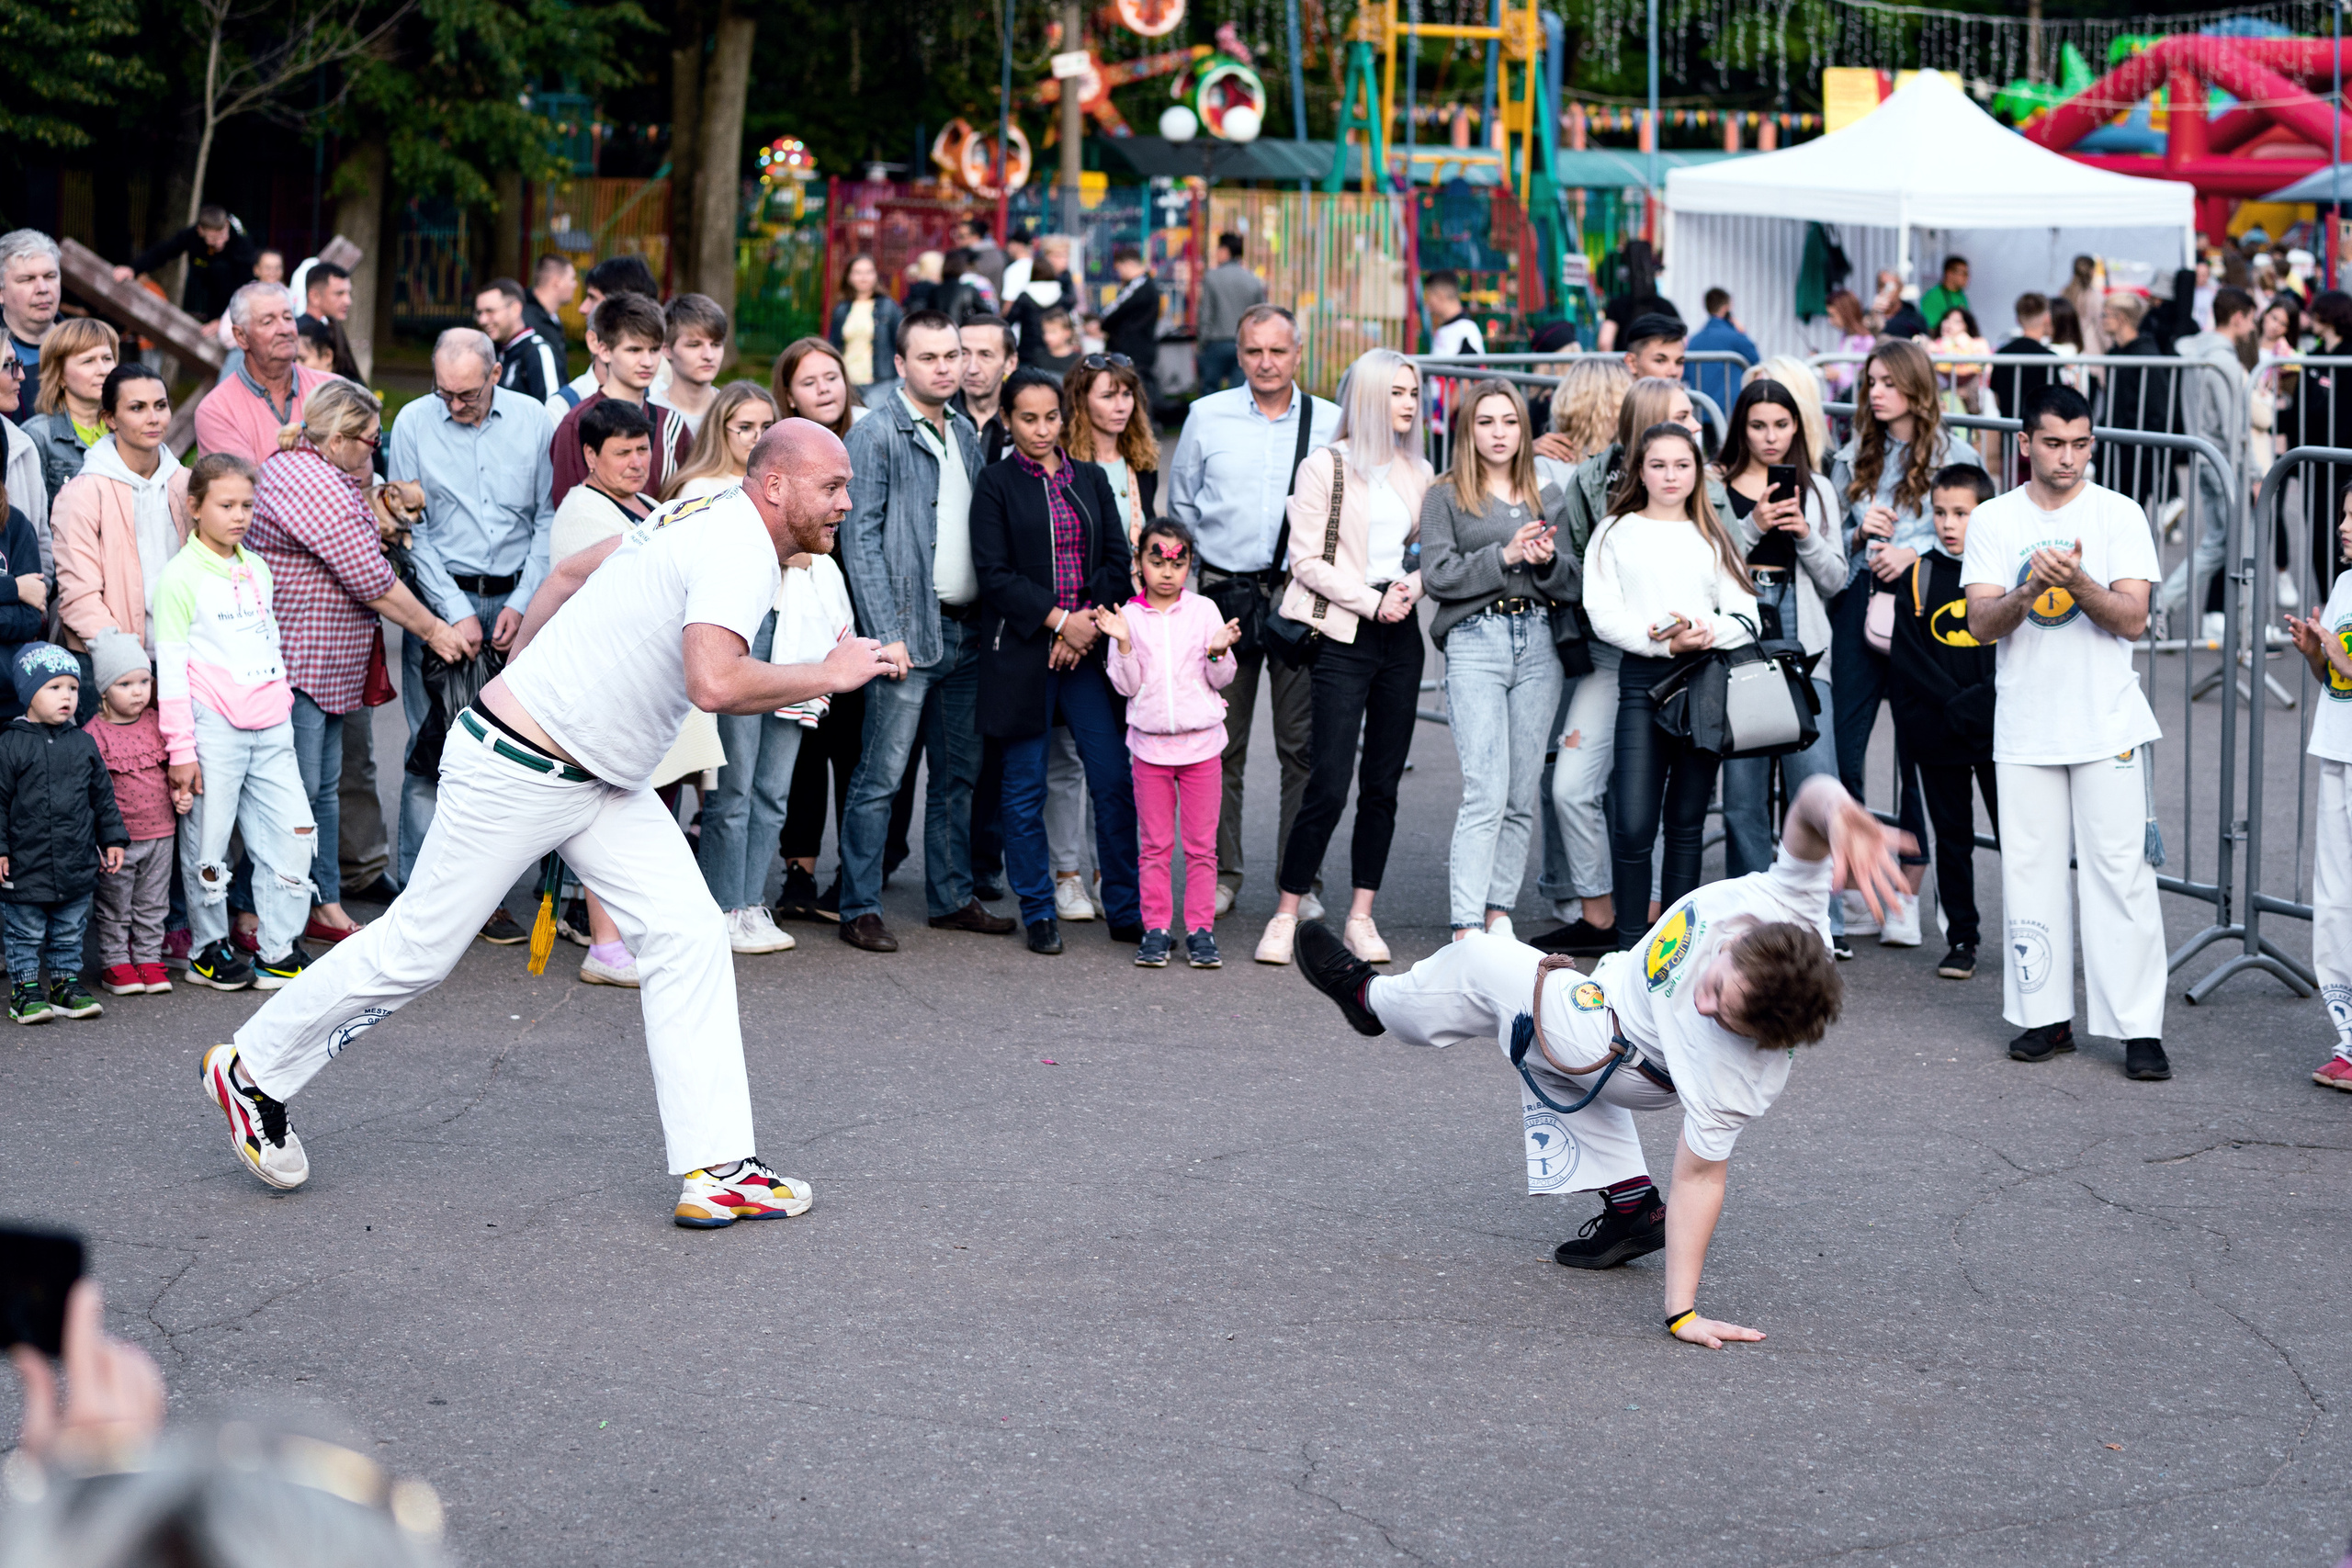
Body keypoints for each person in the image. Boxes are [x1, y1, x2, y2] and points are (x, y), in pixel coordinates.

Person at [195, 420, 897, 1226]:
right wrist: (831, 673)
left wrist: (529, 676)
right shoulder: (736, 546)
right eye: (832, 486)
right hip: (520, 771)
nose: (846, 501)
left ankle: (718, 1168)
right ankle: (252, 1068)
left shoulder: (701, 512)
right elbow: (713, 682)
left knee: (689, 934)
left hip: (597, 777)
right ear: (775, 485)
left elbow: (566, 574)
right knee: (418, 948)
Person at [1292, 773, 1892, 1339]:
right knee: (1521, 1025)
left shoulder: (1737, 1074)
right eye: (1715, 991)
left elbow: (1702, 1177)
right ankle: (1631, 1204)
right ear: (1744, 941)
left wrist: (1681, 1313)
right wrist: (1840, 811)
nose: (1708, 1011)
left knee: (1480, 961)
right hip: (1614, 996)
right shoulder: (1792, 907)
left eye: (1728, 1020)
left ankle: (1371, 999)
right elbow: (1810, 805)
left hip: (1615, 1047)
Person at [1962, 383, 2169, 1082]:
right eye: (2054, 443)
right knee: (2029, 874)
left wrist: (2077, 580)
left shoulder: (2119, 513)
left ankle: (2139, 1028)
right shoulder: (1993, 518)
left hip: (2106, 718)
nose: (2069, 458)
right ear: (2026, 444)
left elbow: (2133, 618)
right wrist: (2027, 591)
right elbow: (1980, 623)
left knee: (2122, 878)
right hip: (2025, 722)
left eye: (2081, 444)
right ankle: (2044, 1018)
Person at [248, 379, 464, 950]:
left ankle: (323, 901)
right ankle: (273, 913)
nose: (377, 451)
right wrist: (435, 630)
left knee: (321, 789)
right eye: (372, 441)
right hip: (302, 660)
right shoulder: (309, 480)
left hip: (327, 663)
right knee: (294, 791)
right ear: (340, 438)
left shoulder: (328, 472)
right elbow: (369, 577)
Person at [833, 309, 1014, 951]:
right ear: (901, 364)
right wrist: (887, 632)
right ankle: (858, 905)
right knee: (879, 775)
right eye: (932, 357)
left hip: (964, 636)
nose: (949, 367)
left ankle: (951, 897)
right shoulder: (876, 434)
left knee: (957, 776)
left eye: (955, 355)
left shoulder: (963, 429)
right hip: (906, 632)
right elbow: (860, 543)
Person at [1255, 347, 1432, 967]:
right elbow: (1306, 560)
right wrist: (1369, 600)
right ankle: (1286, 910)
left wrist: (1411, 587)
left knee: (1381, 784)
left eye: (1414, 391)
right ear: (1368, 395)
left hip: (1400, 635)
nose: (1410, 403)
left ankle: (1362, 914)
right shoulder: (1325, 465)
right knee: (1327, 781)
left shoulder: (1421, 471)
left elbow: (1426, 552)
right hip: (1342, 629)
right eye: (1397, 392)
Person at [1166, 303, 1341, 919]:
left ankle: (1302, 882)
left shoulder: (1332, 421)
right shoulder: (1205, 417)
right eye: (1253, 351)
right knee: (1219, 743)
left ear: (1299, 352)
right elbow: (1182, 504)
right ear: (1237, 355)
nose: (1266, 363)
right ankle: (1220, 875)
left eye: (1278, 350)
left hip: (1300, 600)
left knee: (1302, 747)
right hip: (1222, 599)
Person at [1538, 378, 1713, 957]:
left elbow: (1731, 574)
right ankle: (1603, 914)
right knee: (1573, 788)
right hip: (1616, 656)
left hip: (1694, 666)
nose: (1695, 423)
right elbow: (1591, 584)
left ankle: (1666, 925)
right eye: (1682, 414)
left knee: (1679, 814)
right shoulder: (1595, 485)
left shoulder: (1700, 493)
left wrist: (1703, 629)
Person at [969, 367, 1142, 954]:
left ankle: (1124, 905)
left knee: (1113, 778)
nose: (1041, 429)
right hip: (1022, 656)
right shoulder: (994, 484)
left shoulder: (1091, 479)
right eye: (1027, 418)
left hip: (1088, 652)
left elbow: (1119, 563)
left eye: (1050, 417)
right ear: (1009, 421)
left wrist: (1084, 624)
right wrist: (1055, 620)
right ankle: (1038, 909)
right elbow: (993, 575)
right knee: (1024, 786)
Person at [386, 327, 555, 900]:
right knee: (430, 746)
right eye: (445, 394)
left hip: (515, 597)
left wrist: (522, 603)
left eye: (468, 395)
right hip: (441, 600)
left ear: (496, 375)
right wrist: (453, 611)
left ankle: (482, 898)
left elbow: (547, 518)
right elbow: (412, 529)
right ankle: (420, 895)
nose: (455, 406)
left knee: (507, 751)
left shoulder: (535, 419)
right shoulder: (412, 422)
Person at [1587, 421, 1759, 953]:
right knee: (1634, 822)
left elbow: (1747, 616)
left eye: (1682, 465)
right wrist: (1662, 644)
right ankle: (1629, 947)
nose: (1670, 475)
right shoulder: (1615, 531)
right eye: (1658, 464)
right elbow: (1602, 613)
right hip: (1642, 681)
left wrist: (1708, 629)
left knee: (1685, 823)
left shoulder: (1711, 535)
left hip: (1702, 683)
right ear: (1640, 469)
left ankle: (1676, 953)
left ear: (1697, 472)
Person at [1827, 338, 1977, 945]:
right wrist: (1859, 531)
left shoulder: (1956, 454)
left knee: (1920, 749)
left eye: (1888, 381)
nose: (1876, 392)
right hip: (1859, 602)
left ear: (1916, 386)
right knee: (1845, 745)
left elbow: (1978, 532)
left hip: (1926, 609)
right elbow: (1826, 543)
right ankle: (1862, 881)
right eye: (1870, 381)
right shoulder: (1852, 453)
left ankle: (1907, 894)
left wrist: (1918, 550)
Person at [156, 453, 318, 991]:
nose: (240, 515)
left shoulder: (258, 567)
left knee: (294, 832)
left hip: (272, 725)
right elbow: (173, 670)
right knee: (208, 843)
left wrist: (282, 704)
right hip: (213, 727)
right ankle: (207, 948)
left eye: (248, 504)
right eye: (226, 505)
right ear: (196, 507)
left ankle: (278, 949)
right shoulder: (179, 578)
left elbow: (267, 641)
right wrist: (182, 750)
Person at [1421, 378, 1573, 942]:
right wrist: (1504, 555)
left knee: (1519, 790)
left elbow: (1572, 579)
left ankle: (1497, 911)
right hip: (1475, 641)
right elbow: (1437, 577)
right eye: (1485, 422)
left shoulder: (1546, 493)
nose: (1499, 433)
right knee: (1485, 787)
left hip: (1538, 642)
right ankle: (1465, 922)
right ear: (1468, 430)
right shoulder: (1444, 495)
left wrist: (1546, 561)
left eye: (1509, 421)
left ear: (1523, 427)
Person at [1713, 378, 1847, 916]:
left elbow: (1836, 578)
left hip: (1805, 646)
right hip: (1738, 644)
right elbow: (1705, 570)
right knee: (1743, 798)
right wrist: (1752, 527)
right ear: (1741, 429)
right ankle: (1747, 916)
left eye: (1782, 424)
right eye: (1758, 425)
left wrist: (1805, 535)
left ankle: (1820, 917)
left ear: (1797, 426)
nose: (1771, 437)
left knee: (1815, 781)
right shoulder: (1714, 485)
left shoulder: (1817, 490)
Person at [1096, 515, 1237, 967]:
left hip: (1202, 750)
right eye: (1157, 560)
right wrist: (1121, 645)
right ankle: (1155, 929)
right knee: (1154, 845)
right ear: (1140, 563)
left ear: (1190, 564)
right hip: (1150, 751)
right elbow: (1126, 686)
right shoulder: (1129, 617)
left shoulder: (1203, 611)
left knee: (1201, 846)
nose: (1167, 570)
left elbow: (1222, 677)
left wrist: (1217, 649)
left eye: (1177, 561)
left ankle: (1200, 931)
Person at [1892, 464, 1999, 983]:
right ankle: (1962, 938)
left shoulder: (2006, 572)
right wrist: (1957, 704)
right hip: (1941, 733)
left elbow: (2016, 649)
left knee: (2020, 838)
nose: (1949, 523)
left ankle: (2034, 932)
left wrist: (1983, 702)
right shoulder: (1919, 573)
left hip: (2001, 731)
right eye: (1940, 512)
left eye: (1962, 512)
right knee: (1952, 838)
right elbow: (1909, 657)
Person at [54, 365, 190, 724]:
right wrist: (128, 663)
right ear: (110, 419)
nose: (153, 418)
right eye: (137, 407)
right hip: (110, 666)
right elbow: (78, 597)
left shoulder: (187, 486)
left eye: (160, 405)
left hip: (182, 657)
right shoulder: (82, 494)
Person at [0, 641, 126, 1022]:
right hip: (25, 863)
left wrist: (113, 838)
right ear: (27, 693)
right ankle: (24, 990)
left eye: (72, 688)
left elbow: (102, 796)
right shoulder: (11, 744)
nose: (66, 696)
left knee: (70, 928)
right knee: (25, 930)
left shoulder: (83, 743)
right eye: (53, 688)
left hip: (75, 860)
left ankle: (65, 984)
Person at [2284, 487, 2352, 1092]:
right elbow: (2332, 674)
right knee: (2334, 901)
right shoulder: (2344, 586)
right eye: (2345, 514)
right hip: (2335, 747)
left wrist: (2342, 657)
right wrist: (2314, 652)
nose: (2344, 527)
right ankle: (2349, 1038)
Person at [83, 629, 179, 996]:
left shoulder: (156, 722)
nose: (138, 691)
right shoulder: (94, 734)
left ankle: (149, 958)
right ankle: (115, 962)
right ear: (104, 690)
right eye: (125, 684)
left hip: (161, 833)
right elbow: (93, 792)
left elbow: (170, 770)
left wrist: (179, 795)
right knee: (115, 905)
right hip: (119, 840)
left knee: (153, 903)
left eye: (144, 680)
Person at [2158, 286, 2256, 630]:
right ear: (2238, 317)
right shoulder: (2224, 361)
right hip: (2223, 461)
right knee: (2236, 546)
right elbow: (2234, 427)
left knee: (2219, 544)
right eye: (2251, 320)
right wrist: (2256, 474)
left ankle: (2164, 605)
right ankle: (2241, 627)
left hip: (2204, 455)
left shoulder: (2195, 351)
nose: (2253, 329)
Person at [549, 294, 693, 506]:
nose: (647, 362)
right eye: (634, 350)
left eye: (653, 350)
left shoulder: (672, 425)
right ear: (604, 351)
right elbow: (567, 506)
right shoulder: (576, 422)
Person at [192, 283, 333, 466]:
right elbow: (242, 488)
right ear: (241, 336)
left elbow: (359, 474)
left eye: (288, 317)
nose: (285, 329)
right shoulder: (216, 411)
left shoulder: (332, 391)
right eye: (268, 322)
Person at [23, 317, 117, 508]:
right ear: (60, 375)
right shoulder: (37, 437)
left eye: (107, 358)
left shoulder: (128, 428)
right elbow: (33, 521)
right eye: (88, 361)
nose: (103, 370)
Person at [116, 208, 255, 331]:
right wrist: (133, 269)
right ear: (200, 231)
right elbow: (163, 252)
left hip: (235, 280)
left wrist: (223, 319)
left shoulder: (241, 241)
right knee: (212, 272)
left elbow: (245, 282)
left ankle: (217, 318)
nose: (219, 243)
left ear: (226, 226)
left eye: (222, 236)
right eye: (213, 239)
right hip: (206, 271)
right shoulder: (191, 235)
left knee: (221, 270)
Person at [666, 380, 780, 501]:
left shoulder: (783, 482)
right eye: (745, 428)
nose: (759, 437)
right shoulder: (698, 488)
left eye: (767, 427)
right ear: (719, 430)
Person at [0, 468, 47, 712]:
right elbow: (23, 598)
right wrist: (14, 588)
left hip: (10, 698)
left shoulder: (15, 524)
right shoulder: (15, 587)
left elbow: (31, 618)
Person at [473, 276, 563, 403]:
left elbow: (553, 414)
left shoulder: (538, 352)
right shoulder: (491, 351)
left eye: (490, 311)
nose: (482, 320)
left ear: (515, 309)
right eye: (479, 313)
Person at [1196, 231, 1264, 395]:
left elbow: (1206, 313)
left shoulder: (1212, 277)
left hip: (1215, 343)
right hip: (1244, 343)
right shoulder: (1253, 280)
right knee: (1239, 393)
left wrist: (1201, 343)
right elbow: (1261, 316)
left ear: (1225, 251)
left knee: (1210, 392)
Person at [651, 292, 729, 436]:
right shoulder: (649, 414)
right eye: (694, 345)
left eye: (716, 344)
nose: (709, 356)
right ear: (666, 349)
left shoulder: (733, 412)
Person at [828, 254, 904, 393]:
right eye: (858, 272)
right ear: (849, 277)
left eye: (869, 272)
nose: (864, 277)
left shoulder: (889, 307)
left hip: (881, 382)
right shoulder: (841, 309)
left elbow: (901, 343)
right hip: (848, 381)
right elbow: (834, 346)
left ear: (876, 276)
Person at [1, 342, 49, 555]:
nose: (20, 374)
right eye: (6, 365)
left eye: (17, 362)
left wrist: (39, 582)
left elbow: (42, 539)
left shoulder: (23, 445)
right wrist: (14, 588)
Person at [0, 230, 62, 389]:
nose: (42, 288)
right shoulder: (3, 355)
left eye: (50, 276)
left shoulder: (85, 346)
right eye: (27, 279)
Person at [1988, 292, 2058, 431]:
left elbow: (1996, 398)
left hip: (2010, 431)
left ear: (2018, 319)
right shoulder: (2049, 358)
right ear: (2047, 318)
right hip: (2040, 434)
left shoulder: (2002, 354)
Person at [1685, 288, 1758, 418]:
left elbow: (1685, 374)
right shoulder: (1735, 337)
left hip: (1702, 410)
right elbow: (1755, 360)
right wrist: (1742, 333)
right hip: (1729, 410)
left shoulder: (1694, 340)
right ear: (1726, 308)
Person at [954, 315, 1017, 464]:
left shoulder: (1023, 423)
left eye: (985, 355)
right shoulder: (938, 417)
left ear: (1010, 363)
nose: (972, 368)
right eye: (964, 354)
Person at [1007, 245, 1080, 373]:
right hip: (1052, 351)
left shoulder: (1025, 296)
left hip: (1027, 351)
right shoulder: (1061, 295)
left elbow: (1009, 321)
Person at [296, 260, 363, 382]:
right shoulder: (299, 333)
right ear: (314, 296)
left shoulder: (331, 325)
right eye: (339, 293)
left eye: (348, 293)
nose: (348, 301)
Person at [1100, 245, 1160, 370]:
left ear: (1127, 264)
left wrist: (1102, 324)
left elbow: (1113, 311)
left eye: (1119, 269)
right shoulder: (1147, 285)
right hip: (1139, 348)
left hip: (1132, 349)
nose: (1119, 274)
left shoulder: (1137, 286)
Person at [525, 253, 578, 375]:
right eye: (572, 279)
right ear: (557, 282)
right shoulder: (526, 321)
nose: (575, 284)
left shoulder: (550, 317)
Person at [1424, 270, 1486, 356]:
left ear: (1440, 296)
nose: (1427, 302)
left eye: (1428, 296)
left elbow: (1471, 368)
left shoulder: (1465, 330)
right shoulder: (1448, 328)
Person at [1619, 312, 1688, 386]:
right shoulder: (1615, 396)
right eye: (1660, 361)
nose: (1673, 372)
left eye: (1679, 362)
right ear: (1632, 363)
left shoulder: (1693, 397)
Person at [1919, 255, 1971, 333]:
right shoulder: (1934, 297)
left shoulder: (1961, 296)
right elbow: (1929, 329)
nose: (1967, 278)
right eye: (1963, 274)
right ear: (1949, 274)